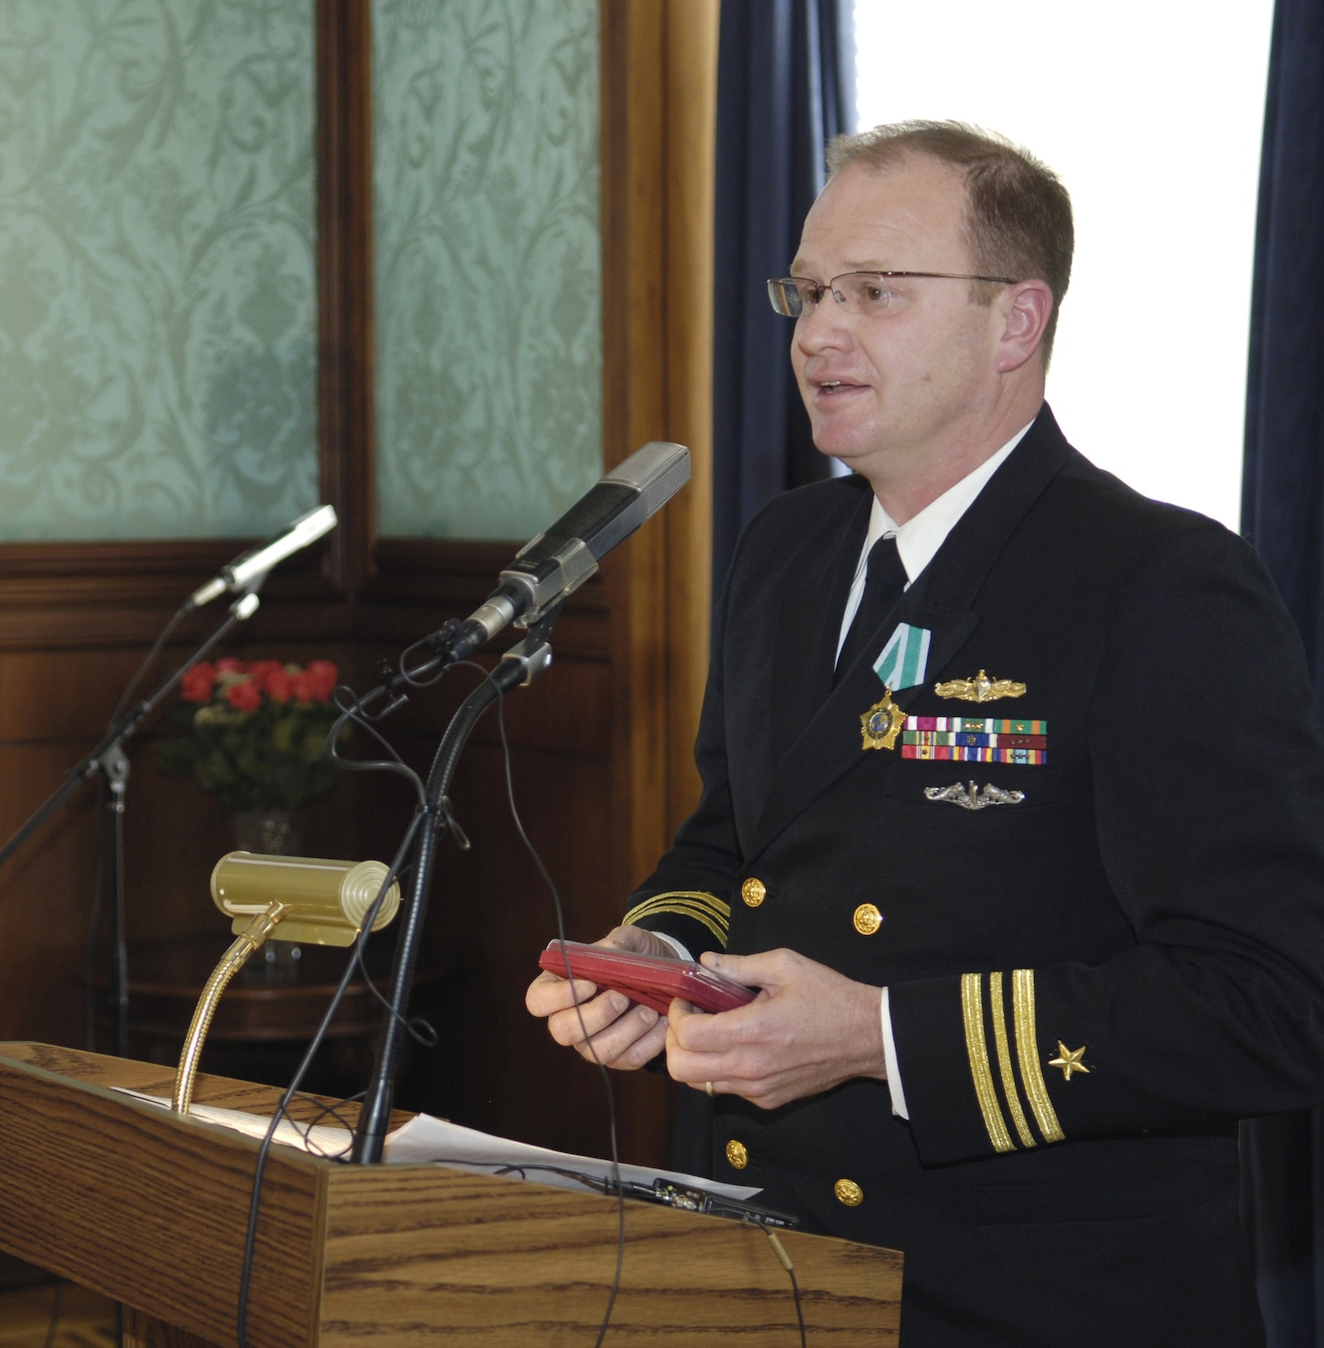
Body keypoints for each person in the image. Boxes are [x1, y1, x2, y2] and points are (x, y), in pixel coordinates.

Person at [527, 121, 1324, 1344]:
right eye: (805, 290)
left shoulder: (1155, 581)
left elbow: (1268, 1004)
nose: (816, 332)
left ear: (1015, 321)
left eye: (875, 294)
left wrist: (874, 1038)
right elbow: (726, 844)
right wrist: (654, 952)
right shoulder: (781, 553)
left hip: (1023, 1295)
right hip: (761, 1253)